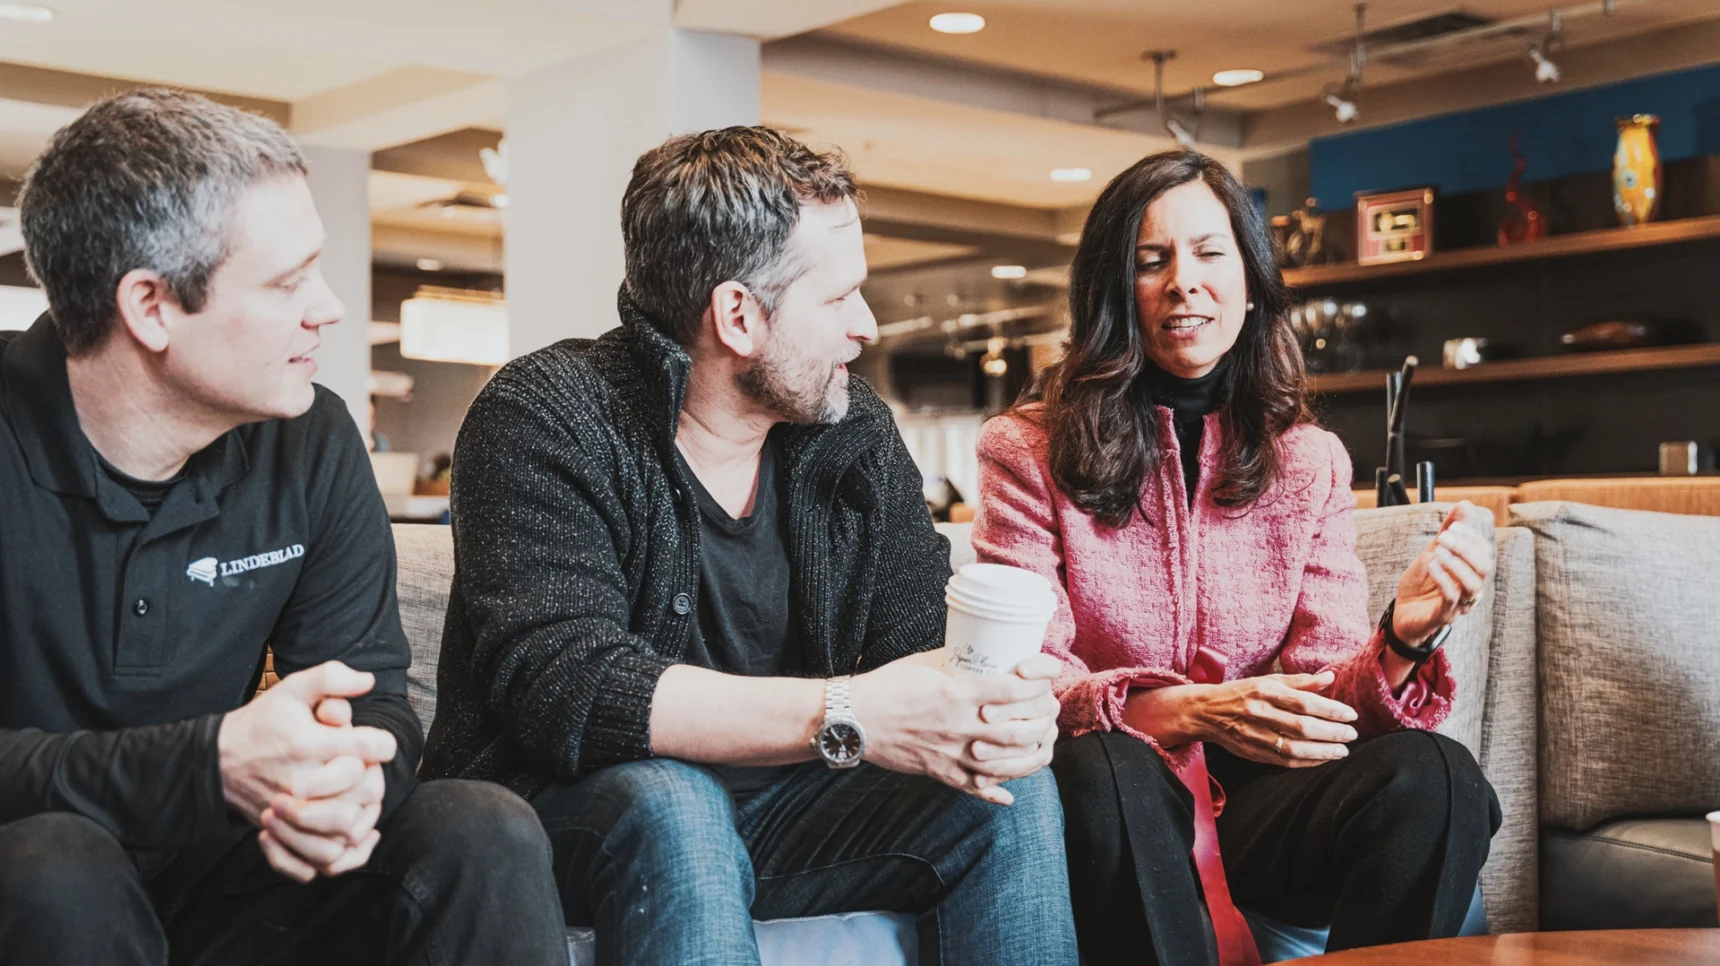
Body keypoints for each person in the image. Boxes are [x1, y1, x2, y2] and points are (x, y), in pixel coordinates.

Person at [422, 126, 1078, 966]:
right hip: (564, 810)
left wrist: (988, 720)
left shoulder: (853, 430)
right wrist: (848, 714)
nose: (867, 327)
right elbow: (568, 686)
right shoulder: (548, 412)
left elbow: (918, 655)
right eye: (839, 300)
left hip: (791, 811)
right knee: (674, 803)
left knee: (1006, 792)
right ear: (738, 315)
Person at [0, 88, 566, 966]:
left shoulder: (311, 435)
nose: (329, 308)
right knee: (53, 862)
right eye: (287, 281)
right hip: (32, 875)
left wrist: (342, 787)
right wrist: (206, 763)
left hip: (229, 866)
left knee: (478, 828)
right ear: (150, 307)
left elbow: (371, 695)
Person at [973, 150, 1501, 965]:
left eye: (1210, 254)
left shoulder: (1309, 460)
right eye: (1151, 261)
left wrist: (1403, 637)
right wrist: (1189, 712)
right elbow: (1030, 679)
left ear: (1250, 284)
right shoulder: (1026, 451)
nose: (1184, 281)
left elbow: (1327, 698)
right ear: (1115, 292)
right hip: (1118, 805)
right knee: (1106, 768)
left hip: (1261, 812)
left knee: (1437, 774)